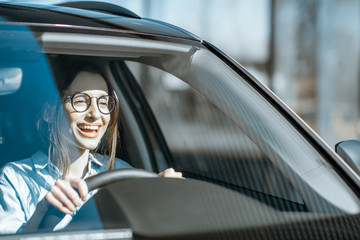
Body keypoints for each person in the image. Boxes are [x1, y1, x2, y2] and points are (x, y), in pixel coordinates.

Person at [0, 63, 182, 234]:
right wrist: (42, 211)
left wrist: (163, 194)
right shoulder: (15, 179)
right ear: (48, 112)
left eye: (103, 103)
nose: (95, 114)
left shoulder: (122, 172)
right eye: (80, 100)